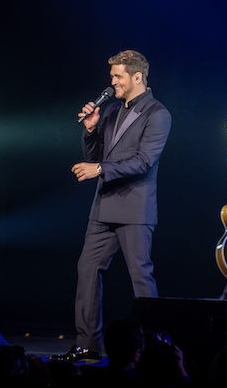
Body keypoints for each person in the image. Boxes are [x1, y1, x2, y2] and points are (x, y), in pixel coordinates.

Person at [59, 50, 172, 364]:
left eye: (118, 76)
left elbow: (143, 162)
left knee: (140, 276)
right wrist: (91, 129)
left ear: (137, 76)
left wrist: (98, 169)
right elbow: (94, 156)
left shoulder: (158, 113)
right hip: (104, 204)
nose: (112, 83)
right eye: (112, 77)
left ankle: (153, 347)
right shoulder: (109, 111)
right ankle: (87, 344)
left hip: (135, 206)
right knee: (87, 267)